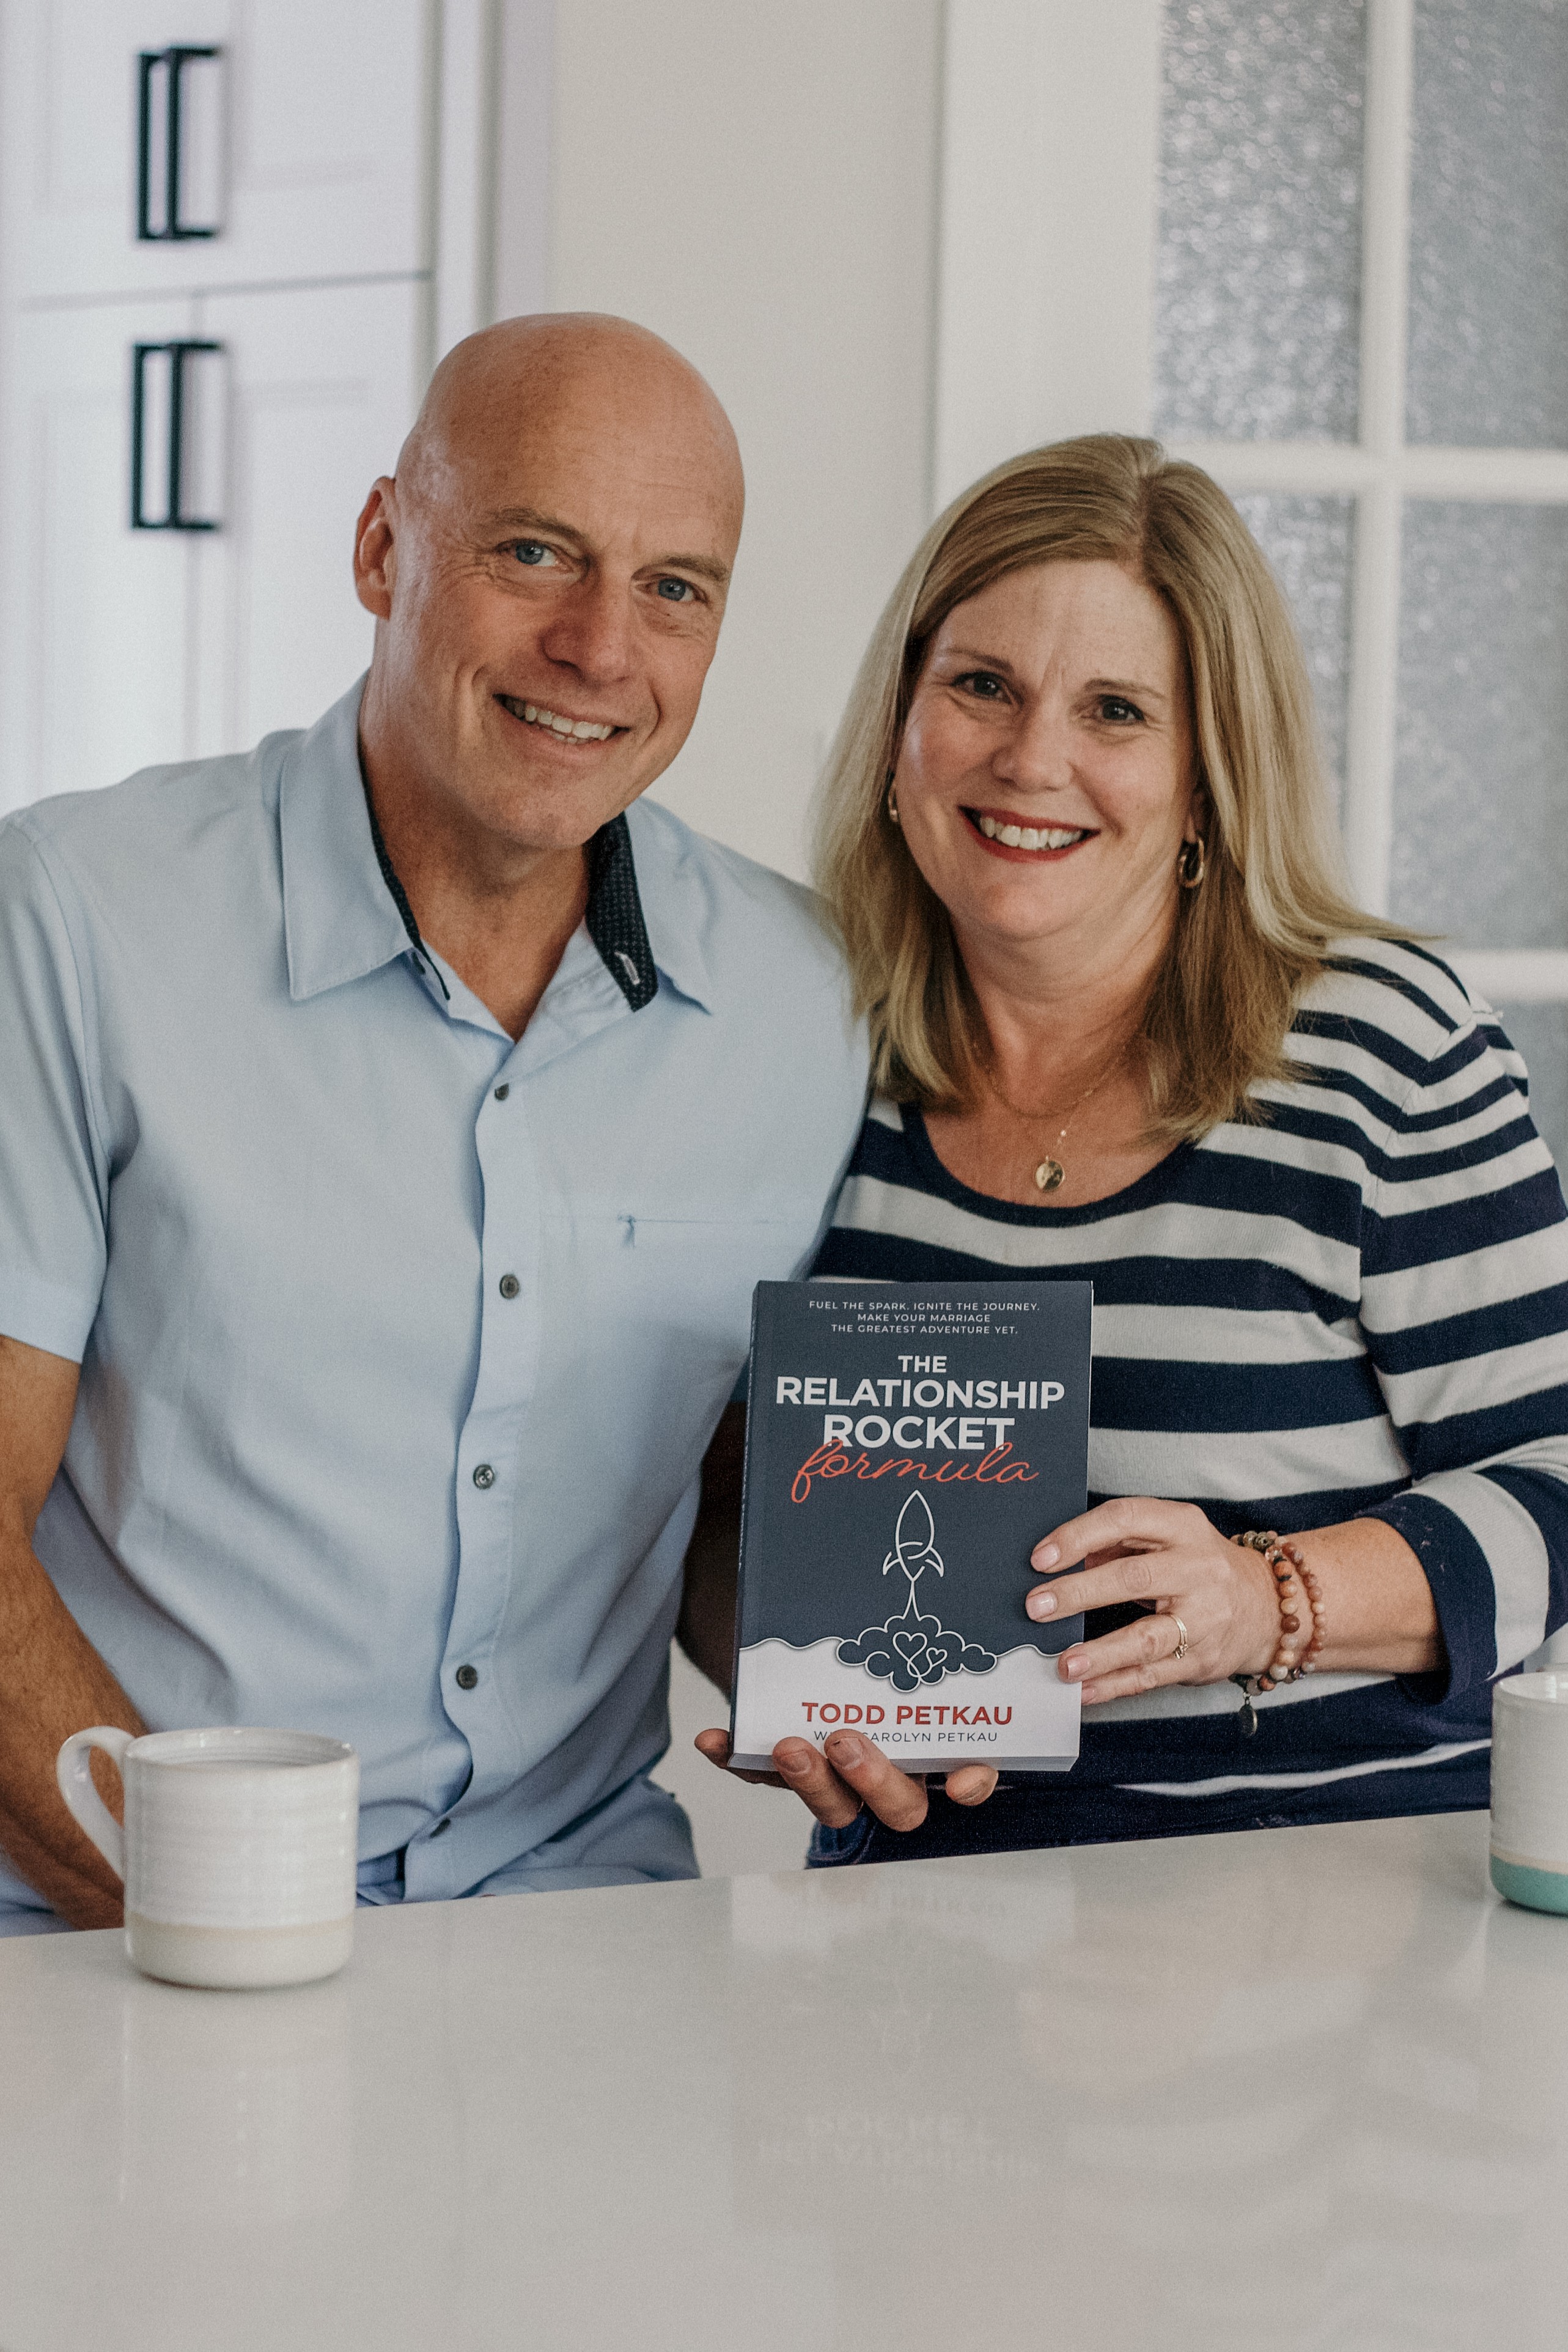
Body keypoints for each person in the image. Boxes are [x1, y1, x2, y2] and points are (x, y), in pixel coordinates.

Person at [0, 310, 969, 1936]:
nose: (601, 647)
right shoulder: (73, 919)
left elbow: (728, 1504)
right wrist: (214, 1912)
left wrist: (852, 1682)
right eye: (534, 552)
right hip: (112, 1927)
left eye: (674, 588)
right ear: (384, 547)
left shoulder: (808, 1008)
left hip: (573, 1928)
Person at [699, 432, 1568, 1862]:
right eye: (979, 684)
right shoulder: (799, 1053)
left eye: (1114, 709)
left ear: (1206, 779)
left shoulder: (1378, 1046)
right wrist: (799, 1696)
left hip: (1319, 1927)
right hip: (917, 1949)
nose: (1029, 758)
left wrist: (1266, 1594)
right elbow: (722, 1501)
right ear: (898, 729)